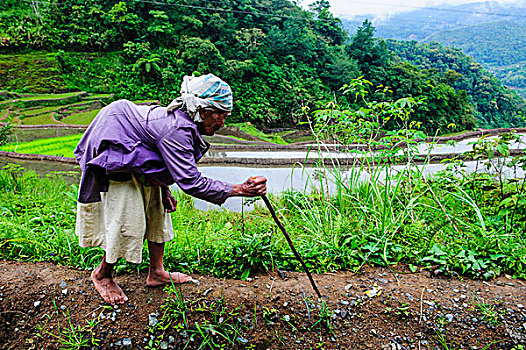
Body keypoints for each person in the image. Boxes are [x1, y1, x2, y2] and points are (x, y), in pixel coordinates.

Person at [74, 74, 267, 305]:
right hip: (117, 143)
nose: (223, 122)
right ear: (203, 111)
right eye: (220, 114)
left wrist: (163, 186)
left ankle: (156, 272)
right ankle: (102, 275)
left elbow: (159, 155)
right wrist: (240, 189)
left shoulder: (186, 124)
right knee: (127, 215)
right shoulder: (177, 128)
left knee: (159, 208)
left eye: (226, 115)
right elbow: (192, 182)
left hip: (135, 146)